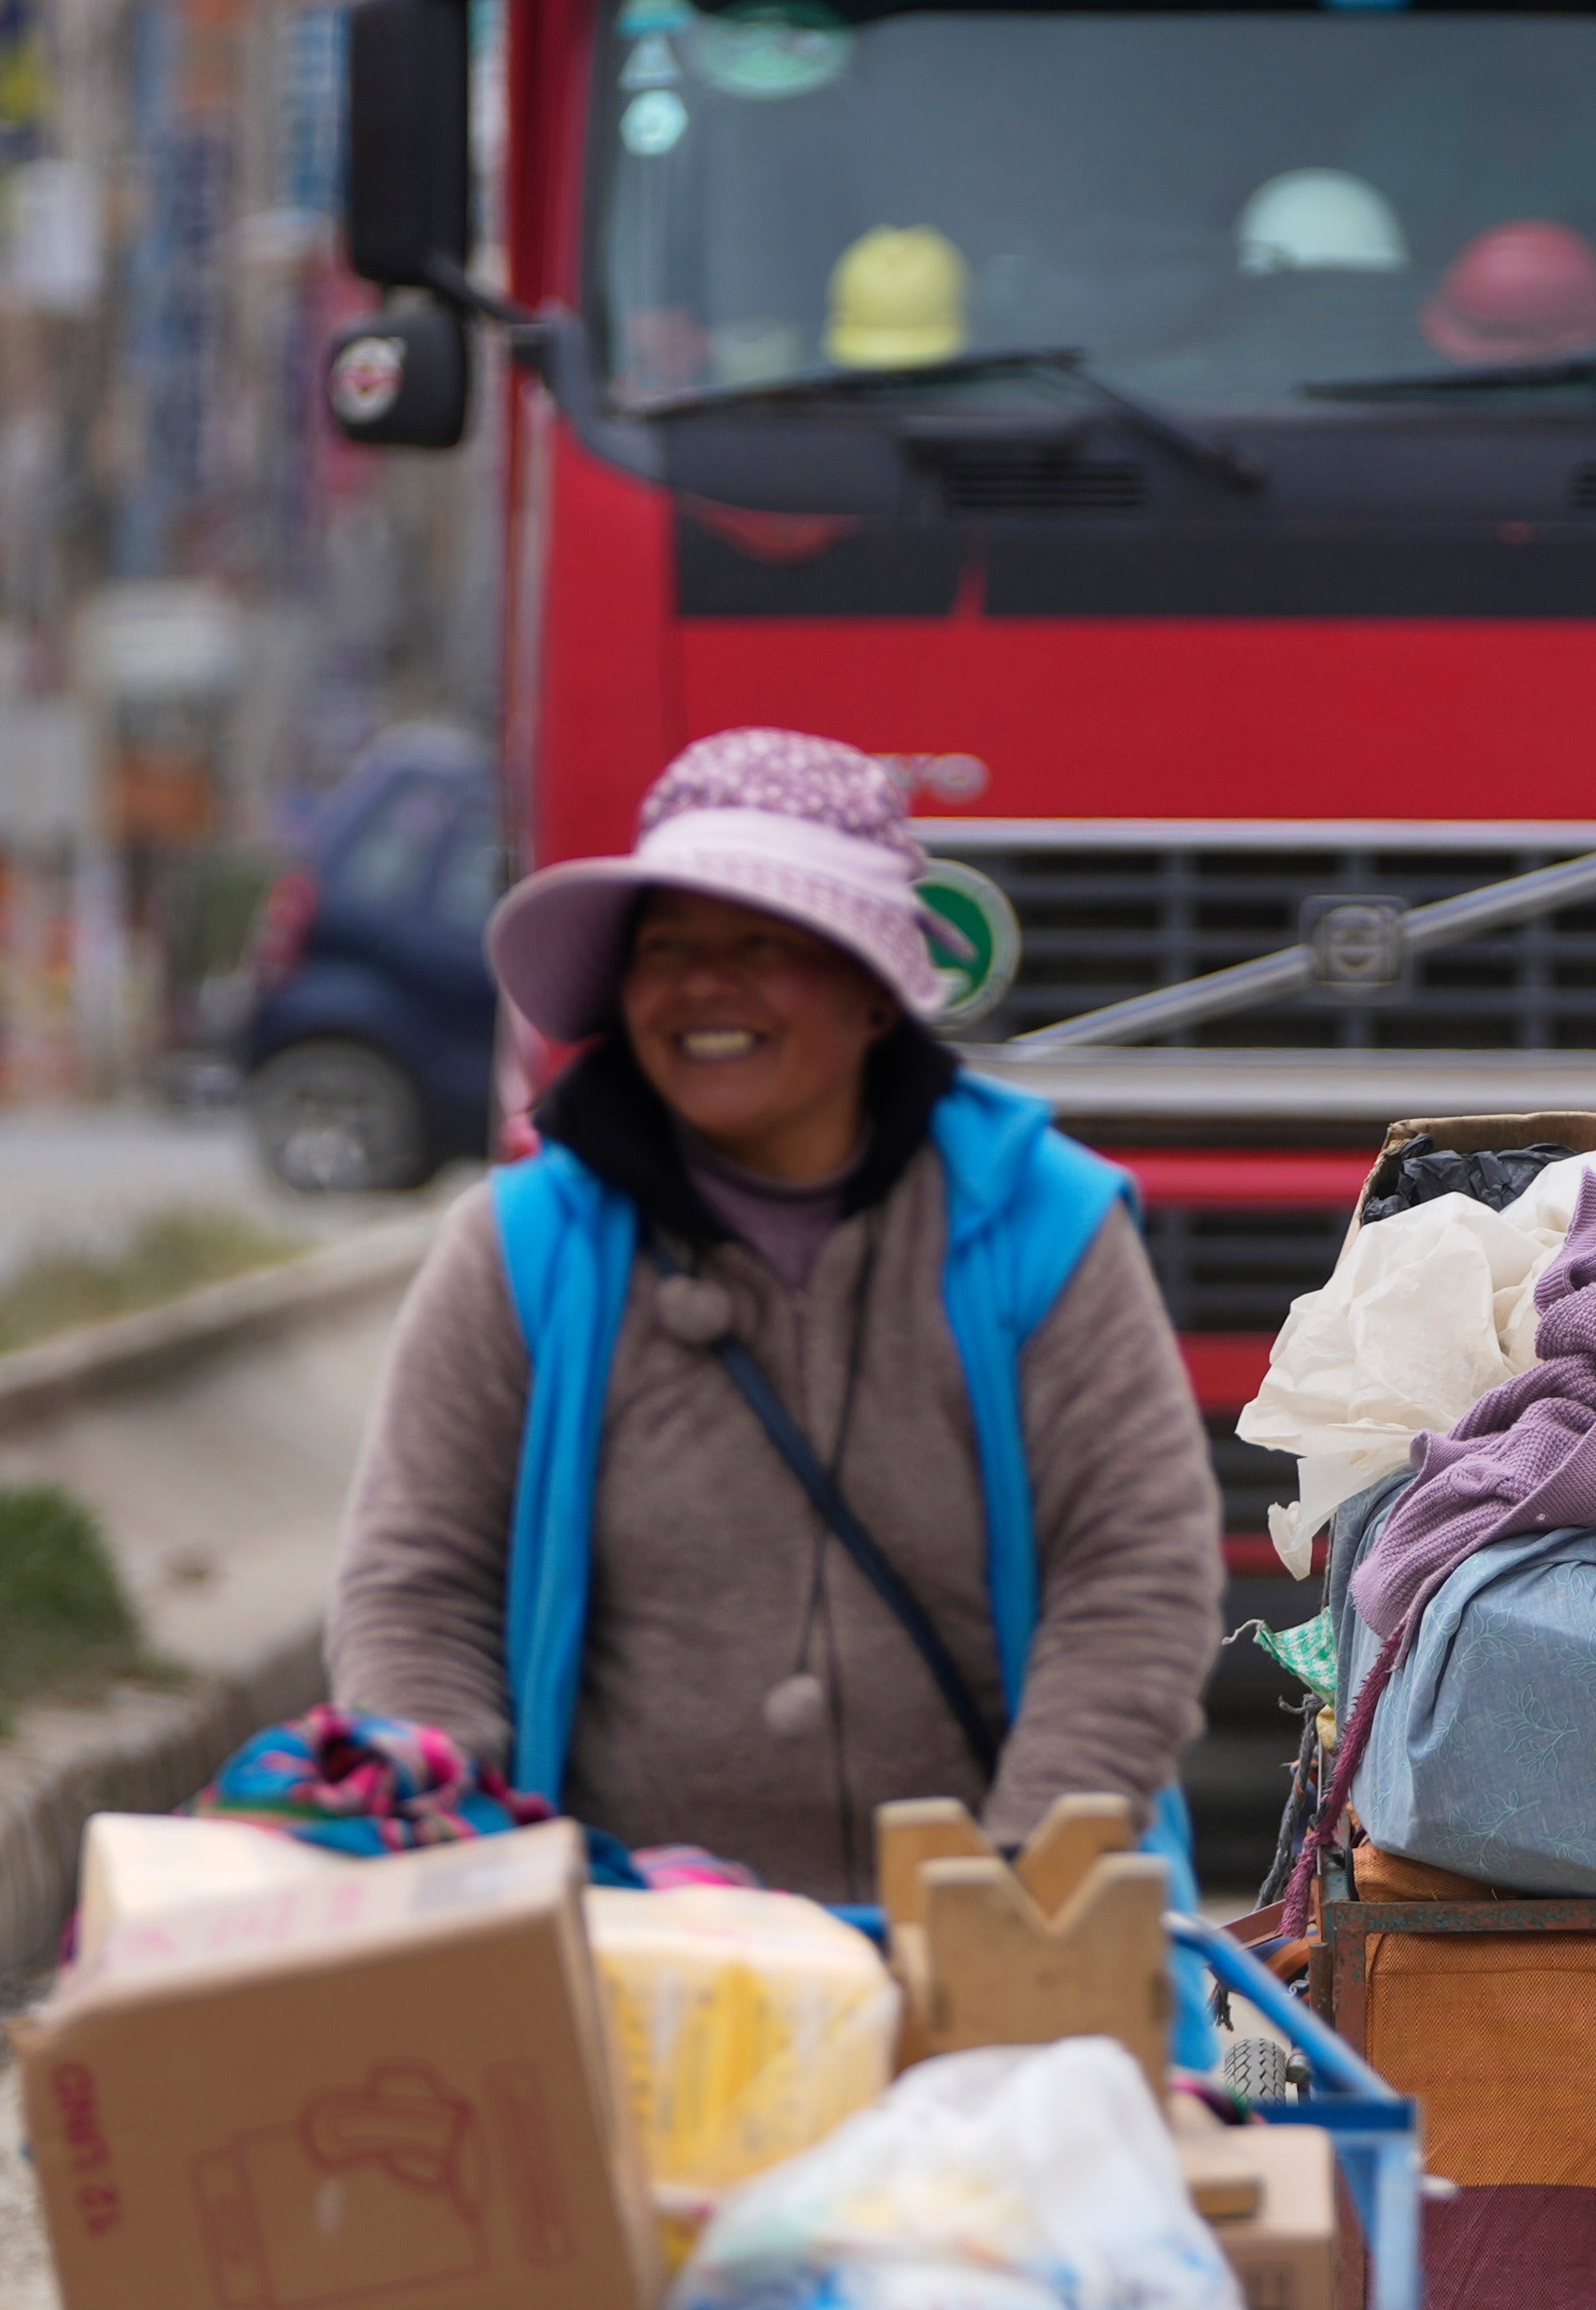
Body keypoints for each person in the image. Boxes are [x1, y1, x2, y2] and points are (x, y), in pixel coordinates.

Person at [323, 728, 1225, 1890]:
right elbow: (419, 1585)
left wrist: (1016, 1885)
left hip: (994, 1945)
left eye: (766, 942)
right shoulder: (521, 1247)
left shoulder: (1041, 1224)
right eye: (668, 946)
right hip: (628, 1953)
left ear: (873, 993)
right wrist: (454, 1843)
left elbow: (1132, 1576)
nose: (705, 984)